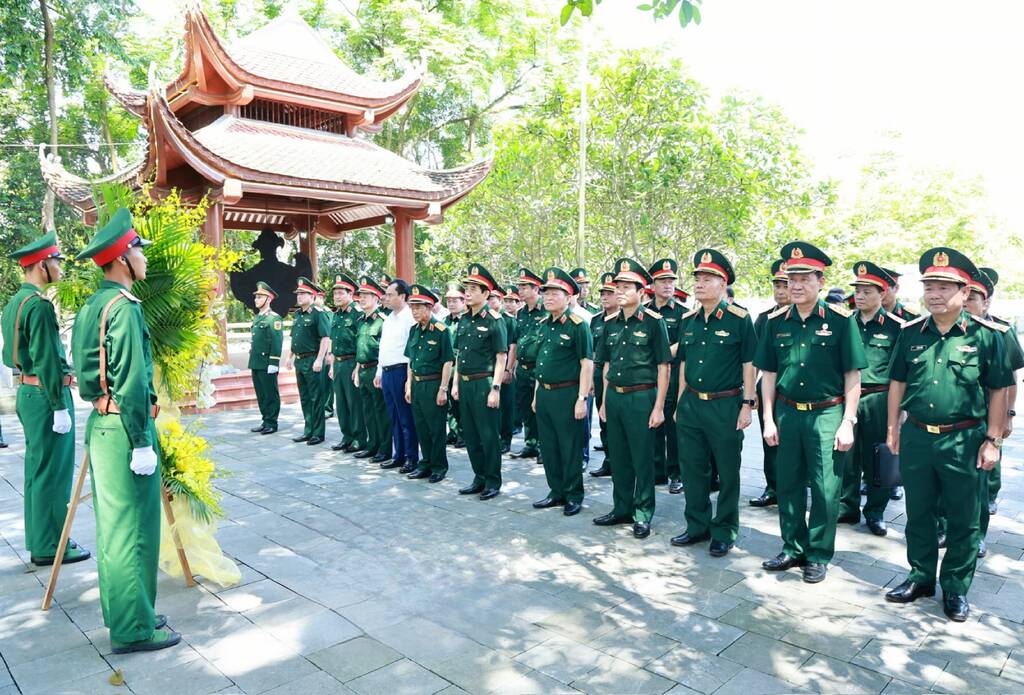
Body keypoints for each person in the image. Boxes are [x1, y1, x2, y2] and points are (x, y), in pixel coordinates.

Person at [71, 207, 180, 653]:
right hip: (124, 427)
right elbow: (132, 381)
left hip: (102, 422)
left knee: (114, 528)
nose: (145, 259)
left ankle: (127, 613)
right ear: (121, 259)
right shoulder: (124, 308)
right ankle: (135, 629)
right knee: (136, 530)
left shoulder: (94, 304)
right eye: (138, 250)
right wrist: (141, 441)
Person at [884, 247, 1012, 622]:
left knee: (963, 518)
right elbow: (897, 382)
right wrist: (893, 428)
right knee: (918, 512)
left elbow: (999, 390)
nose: (934, 294)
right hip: (919, 437)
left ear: (963, 291)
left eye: (943, 287)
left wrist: (993, 440)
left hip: (965, 440)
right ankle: (921, 576)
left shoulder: (988, 336)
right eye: (929, 287)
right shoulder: (910, 333)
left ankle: (955, 587)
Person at [755, 241, 866, 584]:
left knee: (824, 489)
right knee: (787, 485)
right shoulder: (776, 323)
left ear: (820, 280)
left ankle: (817, 554)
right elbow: (769, 375)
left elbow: (852, 375)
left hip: (827, 414)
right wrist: (769, 418)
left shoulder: (840, 321)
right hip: (788, 414)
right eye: (791, 279)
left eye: (804, 278)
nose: (796, 285)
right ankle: (792, 547)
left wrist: (848, 421)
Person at [2, 232, 89, 566]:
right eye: (56, 261)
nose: (60, 266)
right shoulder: (38, 305)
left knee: (37, 471)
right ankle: (53, 545)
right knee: (53, 472)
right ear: (41, 265)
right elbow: (49, 357)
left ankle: (40, 540)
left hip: (28, 391)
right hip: (45, 393)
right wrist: (58, 404)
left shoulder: (15, 302)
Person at [670, 249, 756, 557]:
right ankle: (697, 526)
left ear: (723, 284)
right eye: (697, 278)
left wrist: (748, 403)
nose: (700, 284)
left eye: (708, 279)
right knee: (693, 469)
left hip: (725, 404)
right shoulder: (688, 320)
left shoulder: (740, 320)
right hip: (692, 403)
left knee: (728, 471)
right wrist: (680, 402)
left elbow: (749, 364)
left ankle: (724, 530)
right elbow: (683, 365)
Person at [594, 258, 671, 539]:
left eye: (627, 286)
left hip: (642, 398)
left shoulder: (653, 322)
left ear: (642, 291)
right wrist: (603, 402)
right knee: (619, 456)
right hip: (614, 396)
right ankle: (621, 508)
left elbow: (664, 366)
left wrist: (659, 406)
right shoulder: (610, 323)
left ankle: (642, 513)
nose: (621, 291)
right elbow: (605, 365)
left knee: (642, 459)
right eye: (618, 287)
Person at [956, 267, 1022, 557]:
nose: (968, 303)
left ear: (986, 302)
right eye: (965, 296)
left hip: (987, 417)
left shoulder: (1001, 332)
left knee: (980, 481)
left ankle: (977, 534)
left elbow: (1010, 378)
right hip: (956, 419)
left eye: (974, 298)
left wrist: (1008, 413)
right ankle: (948, 526)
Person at [838, 262, 905, 537]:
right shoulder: (843, 324)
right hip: (846, 399)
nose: (860, 296)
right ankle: (847, 507)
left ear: (883, 292)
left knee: (879, 457)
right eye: (858, 290)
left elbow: (903, 373)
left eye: (867, 291)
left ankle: (875, 512)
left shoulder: (896, 327)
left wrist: (900, 413)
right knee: (846, 456)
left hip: (880, 400)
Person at [531, 268, 594, 517]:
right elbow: (541, 364)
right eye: (546, 293)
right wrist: (537, 394)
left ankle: (573, 494)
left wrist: (582, 399)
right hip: (545, 393)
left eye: (555, 293)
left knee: (569, 446)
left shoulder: (579, 326)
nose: (548, 297)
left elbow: (586, 364)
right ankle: (555, 491)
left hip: (567, 394)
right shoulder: (544, 325)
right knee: (549, 446)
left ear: (569, 297)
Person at [452, 263, 508, 500]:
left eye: (474, 288)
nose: (468, 292)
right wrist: (455, 384)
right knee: (471, 434)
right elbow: (458, 355)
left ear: (486, 294)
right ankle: (479, 477)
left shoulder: (495, 320)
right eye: (467, 288)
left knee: (488, 435)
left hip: (484, 383)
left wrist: (495, 388)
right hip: (464, 384)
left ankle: (493, 481)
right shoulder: (463, 320)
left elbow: (501, 356)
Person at [750, 259, 790, 508]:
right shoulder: (765, 319)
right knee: (770, 439)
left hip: (795, 389)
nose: (780, 290)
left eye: (784, 285)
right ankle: (772, 487)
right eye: (777, 285)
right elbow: (754, 358)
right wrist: (750, 390)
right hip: (769, 387)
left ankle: (792, 488)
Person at [404, 285, 455, 483]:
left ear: (430, 307)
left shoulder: (442, 330)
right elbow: (411, 360)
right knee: (421, 427)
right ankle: (425, 464)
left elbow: (447, 361)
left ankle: (439, 466)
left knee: (436, 429)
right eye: (412, 307)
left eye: (418, 307)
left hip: (434, 385)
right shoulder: (413, 330)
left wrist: (443, 389)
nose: (415, 311)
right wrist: (408, 384)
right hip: (417, 384)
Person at [648, 259, 685, 493]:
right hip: (648, 377)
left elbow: (683, 344)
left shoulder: (683, 313)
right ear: (653, 284)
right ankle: (657, 470)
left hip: (672, 376)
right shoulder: (644, 311)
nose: (668, 285)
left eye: (671, 281)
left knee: (673, 427)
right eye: (663, 280)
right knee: (652, 426)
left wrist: (657, 354)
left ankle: (676, 473)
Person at [377, 279, 418, 473]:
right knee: (393, 416)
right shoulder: (388, 318)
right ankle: (398, 455)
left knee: (405, 417)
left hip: (401, 371)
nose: (386, 297)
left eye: (390, 294)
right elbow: (383, 347)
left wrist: (409, 381)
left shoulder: (409, 318)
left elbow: (410, 351)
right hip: (386, 371)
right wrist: (379, 371)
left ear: (402, 296)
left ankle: (411, 457)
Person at [287, 277, 331, 446]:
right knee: (304, 397)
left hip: (312, 359)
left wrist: (320, 359)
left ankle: (318, 433)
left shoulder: (318, 314)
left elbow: (325, 338)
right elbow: (294, 338)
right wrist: (289, 358)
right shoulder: (297, 314)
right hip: (299, 360)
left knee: (316, 398)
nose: (298, 296)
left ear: (312, 296)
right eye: (298, 293)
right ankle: (308, 430)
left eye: (303, 293)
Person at [352, 277, 391, 464]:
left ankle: (384, 449)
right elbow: (360, 347)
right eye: (360, 295)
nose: (361, 299)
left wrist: (380, 371)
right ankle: (372, 445)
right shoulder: (360, 320)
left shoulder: (383, 321)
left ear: (376, 298)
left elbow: (385, 349)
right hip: (363, 369)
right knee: (368, 410)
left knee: (380, 411)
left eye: (366, 295)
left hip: (377, 369)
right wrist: (357, 369)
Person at [329, 273, 364, 452]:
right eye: (335, 293)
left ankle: (359, 438)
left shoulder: (357, 314)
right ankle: (347, 436)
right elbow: (333, 340)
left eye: (341, 293)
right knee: (341, 402)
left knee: (354, 402)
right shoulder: (336, 315)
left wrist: (357, 368)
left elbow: (360, 342)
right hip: (338, 363)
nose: (337, 297)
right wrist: (332, 362)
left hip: (351, 362)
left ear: (350, 294)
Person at [513, 268, 546, 460]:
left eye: (525, 287)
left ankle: (543, 446)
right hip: (523, 368)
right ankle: (530, 443)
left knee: (539, 407)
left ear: (536, 289)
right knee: (525, 406)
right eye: (520, 287)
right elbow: (517, 341)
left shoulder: (545, 311)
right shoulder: (521, 313)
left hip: (538, 368)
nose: (521, 290)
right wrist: (513, 366)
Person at [589, 272, 619, 478]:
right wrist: (592, 378)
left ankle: (618, 461)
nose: (605, 297)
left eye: (610, 293)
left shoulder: (620, 320)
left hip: (617, 373)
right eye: (603, 293)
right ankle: (608, 460)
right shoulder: (596, 320)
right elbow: (592, 354)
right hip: (599, 372)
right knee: (603, 417)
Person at [248, 282, 283, 435]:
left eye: (260, 296)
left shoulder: (273, 319)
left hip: (267, 362)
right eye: (256, 296)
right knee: (261, 394)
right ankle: (265, 420)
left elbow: (277, 342)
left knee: (270, 394)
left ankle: (272, 422)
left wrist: (274, 362)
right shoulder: (257, 318)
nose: (256, 299)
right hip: (256, 362)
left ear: (268, 299)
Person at [488, 287, 518, 454]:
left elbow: (512, 347)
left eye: (495, 299)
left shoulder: (508, 320)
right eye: (489, 298)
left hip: (504, 367)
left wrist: (508, 369)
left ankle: (505, 439)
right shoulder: (487, 319)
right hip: (489, 368)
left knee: (506, 406)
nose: (491, 302)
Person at [443, 284, 468, 448]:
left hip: (462, 367)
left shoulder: (467, 320)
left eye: (454, 300)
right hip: (447, 367)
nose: (451, 304)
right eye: (448, 301)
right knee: (450, 404)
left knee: (461, 403)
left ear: (463, 300)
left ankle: (463, 434)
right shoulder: (445, 321)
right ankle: (453, 432)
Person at [316, 289, 334, 419]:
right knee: (319, 383)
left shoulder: (327, 313)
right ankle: (320, 407)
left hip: (326, 350)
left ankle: (328, 407)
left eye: (316, 297)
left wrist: (329, 353)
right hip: (316, 351)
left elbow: (330, 334)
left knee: (327, 383)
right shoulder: (314, 313)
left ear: (321, 298)